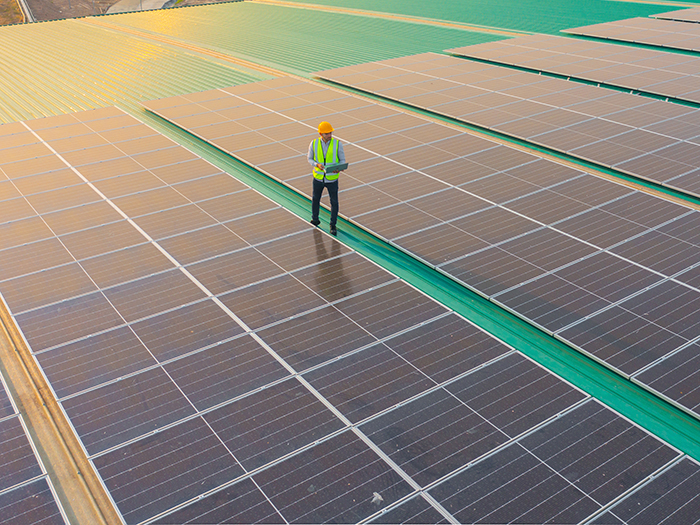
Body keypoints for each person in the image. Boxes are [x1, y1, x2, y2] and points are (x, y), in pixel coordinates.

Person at [308, 121, 346, 236]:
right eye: (327, 134)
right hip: (318, 178)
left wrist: (338, 168)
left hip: (332, 179)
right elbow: (309, 159)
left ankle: (332, 225)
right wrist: (317, 165)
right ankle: (315, 219)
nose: (329, 135)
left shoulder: (337, 144)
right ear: (320, 134)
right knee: (315, 199)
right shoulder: (314, 143)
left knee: (334, 202)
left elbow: (342, 160)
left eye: (330, 133)